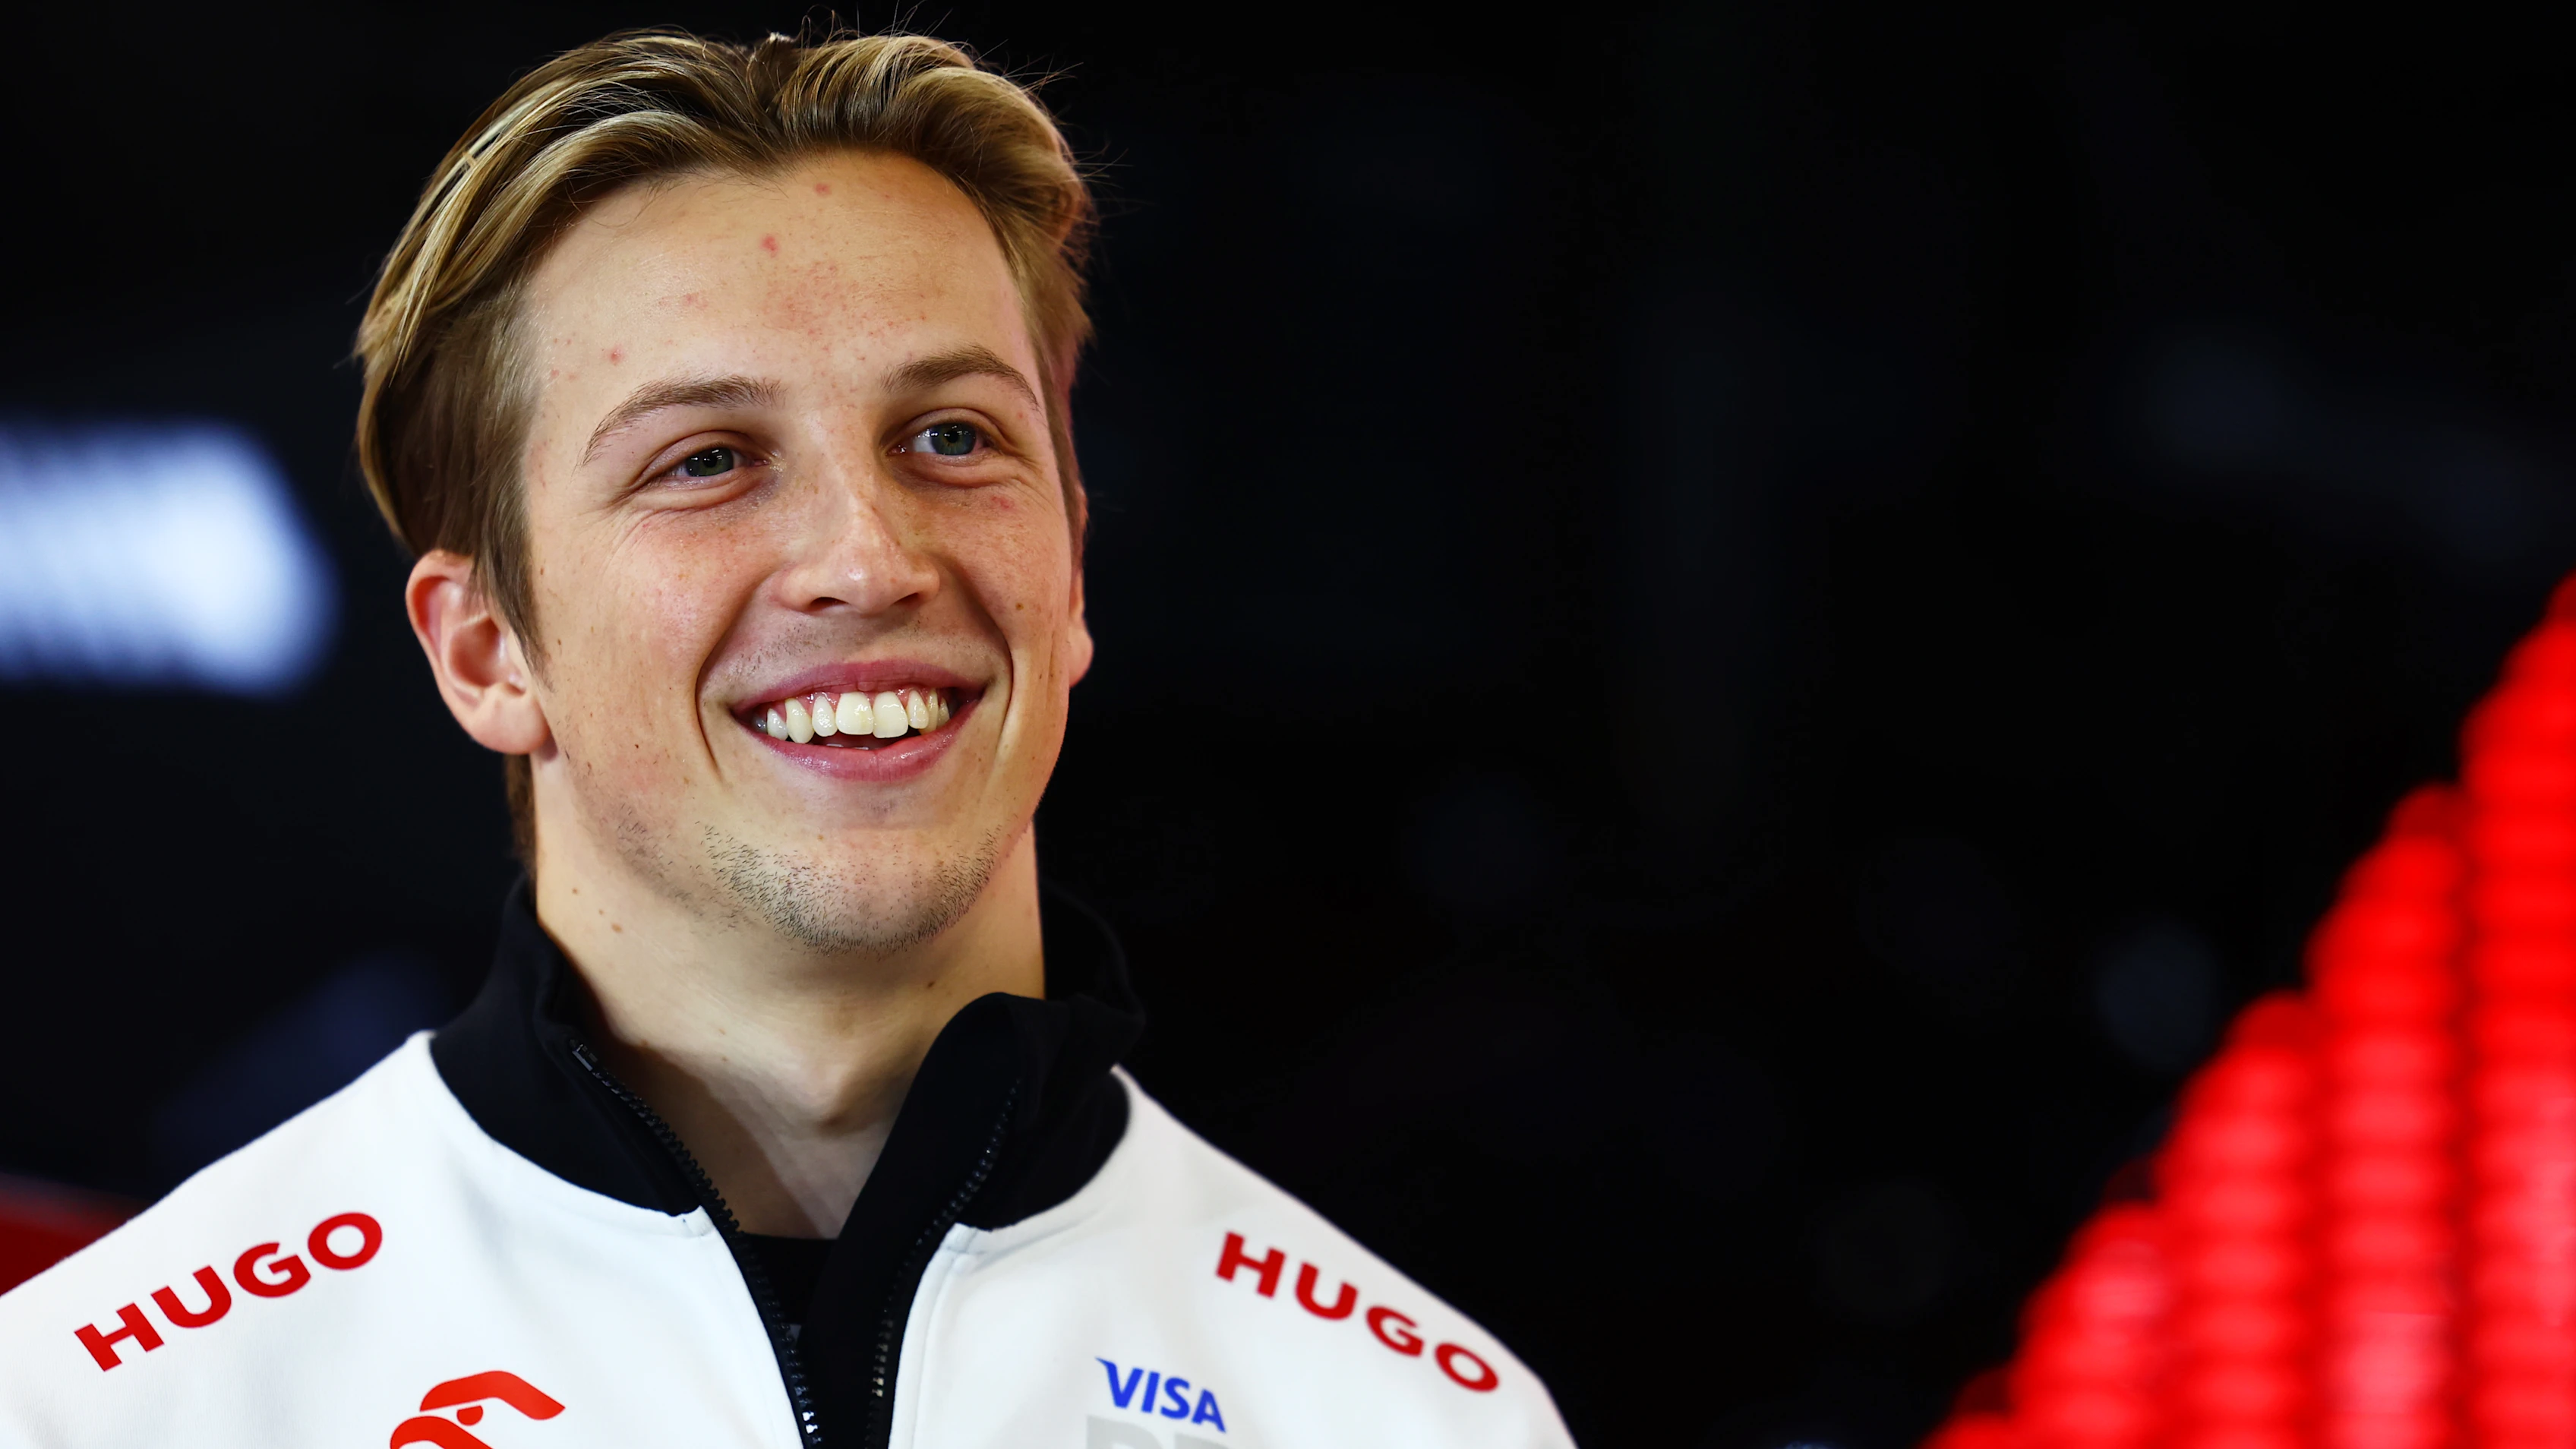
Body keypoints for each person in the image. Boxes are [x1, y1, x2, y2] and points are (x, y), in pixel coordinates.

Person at [0, 27, 1571, 1449]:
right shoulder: (115, 1399)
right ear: (486, 652)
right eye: (706, 460)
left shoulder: (1416, 1415)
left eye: (952, 436)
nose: (869, 556)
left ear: (1074, 567)